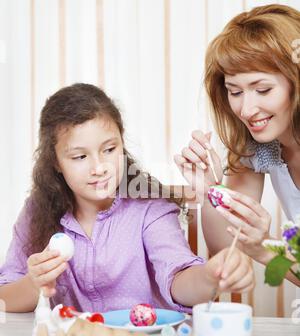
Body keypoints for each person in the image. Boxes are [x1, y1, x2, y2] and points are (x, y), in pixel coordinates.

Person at [0, 83, 254, 313]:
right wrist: (34, 284)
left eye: (109, 149)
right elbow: (5, 298)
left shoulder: (149, 206)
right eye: (80, 157)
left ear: (122, 143)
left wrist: (209, 277)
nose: (99, 167)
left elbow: (179, 279)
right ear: (55, 161)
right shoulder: (37, 211)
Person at [175, 4, 300, 287]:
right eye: (235, 91)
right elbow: (226, 249)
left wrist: (264, 247)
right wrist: (211, 191)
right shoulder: (261, 147)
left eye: (263, 89)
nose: (246, 109)